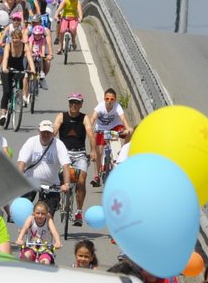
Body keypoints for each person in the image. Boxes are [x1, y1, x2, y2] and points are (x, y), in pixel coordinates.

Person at [53, 93, 93, 225]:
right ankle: (57, 200)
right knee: (58, 178)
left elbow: (90, 134)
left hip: (80, 153)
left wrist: (93, 150)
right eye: (71, 102)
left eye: (76, 102)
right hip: (63, 153)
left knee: (81, 182)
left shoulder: (84, 118)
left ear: (81, 104)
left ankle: (79, 212)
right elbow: (53, 131)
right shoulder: (61, 116)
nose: (74, 105)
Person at [16, 118, 70, 212]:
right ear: (39, 131)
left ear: (52, 133)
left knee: (48, 214)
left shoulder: (59, 145)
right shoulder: (31, 142)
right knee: (22, 210)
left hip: (51, 184)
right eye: (43, 132)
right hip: (31, 182)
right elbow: (22, 162)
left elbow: (66, 165)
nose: (45, 135)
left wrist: (66, 184)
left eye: (48, 133)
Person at [90, 89, 132, 186]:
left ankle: (122, 151)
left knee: (130, 132)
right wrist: (89, 127)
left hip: (114, 129)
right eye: (107, 98)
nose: (109, 101)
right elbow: (92, 118)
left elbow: (123, 119)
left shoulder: (117, 107)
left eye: (112, 99)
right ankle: (96, 176)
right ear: (104, 98)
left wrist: (127, 128)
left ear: (115, 100)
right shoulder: (99, 107)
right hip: (101, 130)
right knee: (99, 152)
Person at [0, 10, 36, 113]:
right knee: (6, 91)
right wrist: (5, 68)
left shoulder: (25, 46)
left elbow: (29, 58)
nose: (15, 40)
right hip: (8, 69)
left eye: (17, 38)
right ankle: (3, 114)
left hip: (19, 68)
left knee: (24, 79)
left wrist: (33, 69)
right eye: (13, 38)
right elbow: (5, 58)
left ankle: (21, 96)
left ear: (21, 39)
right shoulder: (8, 45)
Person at [16, 197, 62, 263]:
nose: (40, 216)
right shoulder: (31, 219)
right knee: (26, 256)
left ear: (46, 214)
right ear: (34, 213)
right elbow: (25, 228)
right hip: (31, 247)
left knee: (45, 261)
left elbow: (54, 231)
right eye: (38, 213)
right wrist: (20, 239)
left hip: (45, 249)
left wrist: (58, 242)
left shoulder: (48, 220)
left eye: (43, 214)